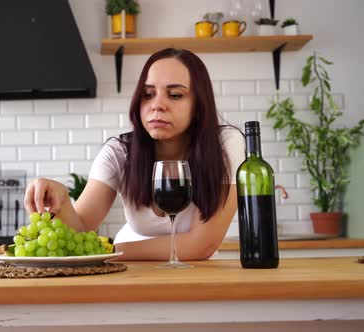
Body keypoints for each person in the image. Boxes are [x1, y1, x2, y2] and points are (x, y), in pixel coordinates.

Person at [24, 48, 245, 261]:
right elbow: (79, 230)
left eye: (175, 95)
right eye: (147, 94)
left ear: (199, 105)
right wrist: (62, 202)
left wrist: (108, 250)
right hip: (127, 267)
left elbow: (202, 244)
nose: (157, 105)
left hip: (176, 265)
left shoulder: (225, 145)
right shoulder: (119, 152)